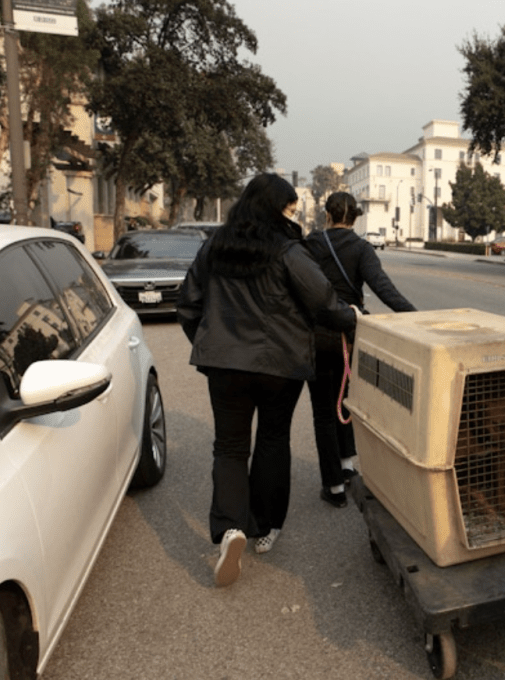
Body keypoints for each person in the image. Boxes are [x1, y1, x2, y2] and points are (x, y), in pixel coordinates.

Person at [177, 173, 358, 587]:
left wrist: (211, 346)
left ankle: (229, 529)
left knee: (229, 445)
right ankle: (264, 526)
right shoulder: (288, 251)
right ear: (276, 208)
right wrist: (352, 317)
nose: (291, 215)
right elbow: (324, 302)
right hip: (280, 366)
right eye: (289, 208)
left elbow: (188, 304)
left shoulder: (215, 246)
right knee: (273, 440)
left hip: (224, 367)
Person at [304, 192, 416, 508]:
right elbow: (384, 289)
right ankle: (348, 466)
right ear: (356, 218)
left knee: (323, 411)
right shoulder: (361, 248)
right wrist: (419, 318)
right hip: (351, 336)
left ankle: (334, 488)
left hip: (315, 336)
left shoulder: (311, 244)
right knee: (347, 399)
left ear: (327, 215)